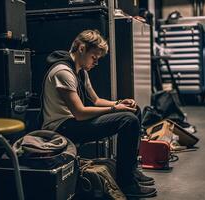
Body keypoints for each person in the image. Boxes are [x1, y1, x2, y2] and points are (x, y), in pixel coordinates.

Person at [41, 30, 156, 197]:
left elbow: (95, 100)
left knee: (133, 110)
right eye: (94, 57)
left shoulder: (80, 70)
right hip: (61, 128)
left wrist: (119, 103)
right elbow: (80, 113)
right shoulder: (63, 72)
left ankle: (130, 170)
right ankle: (127, 184)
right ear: (81, 48)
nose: (96, 62)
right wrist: (115, 109)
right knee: (128, 120)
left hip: (73, 122)